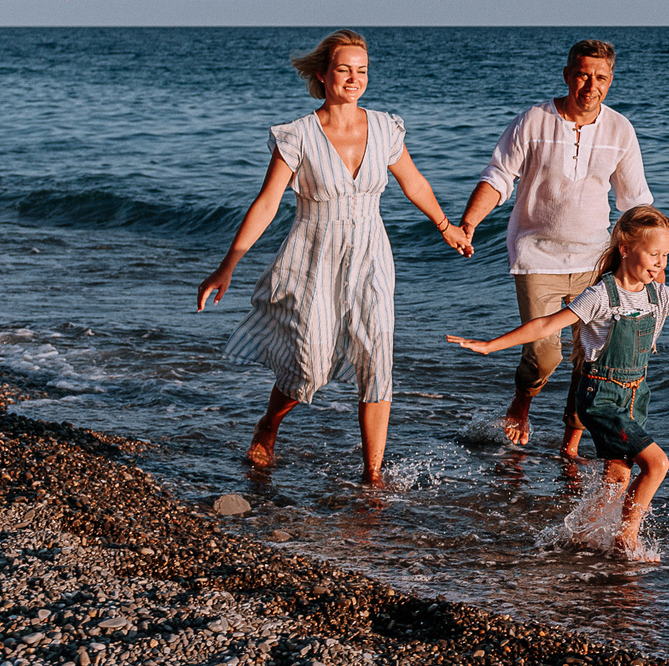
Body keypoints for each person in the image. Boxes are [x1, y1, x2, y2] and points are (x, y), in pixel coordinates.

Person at [198, 31, 472, 482]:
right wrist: (228, 265)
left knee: (376, 356)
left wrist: (447, 228)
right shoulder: (299, 136)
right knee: (309, 360)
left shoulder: (385, 128)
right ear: (323, 75)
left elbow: (414, 183)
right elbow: (266, 203)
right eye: (344, 69)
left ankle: (373, 474)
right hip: (312, 258)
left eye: (361, 70)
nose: (353, 78)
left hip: (371, 256)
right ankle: (270, 423)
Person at [447, 205, 669, 555]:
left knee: (617, 478)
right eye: (654, 254)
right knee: (657, 464)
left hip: (635, 396)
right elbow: (547, 324)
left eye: (666, 255)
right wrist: (491, 345)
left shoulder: (661, 296)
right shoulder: (601, 296)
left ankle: (574, 537)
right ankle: (627, 537)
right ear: (625, 248)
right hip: (601, 397)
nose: (661, 262)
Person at [455, 38, 652, 448]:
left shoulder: (620, 130)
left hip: (595, 260)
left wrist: (651, 262)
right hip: (536, 255)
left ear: (611, 80)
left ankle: (571, 440)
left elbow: (635, 204)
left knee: (591, 358)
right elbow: (499, 176)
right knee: (546, 353)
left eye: (600, 77)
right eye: (582, 74)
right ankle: (522, 400)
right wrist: (470, 221)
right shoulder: (534, 121)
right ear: (567, 75)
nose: (590, 85)